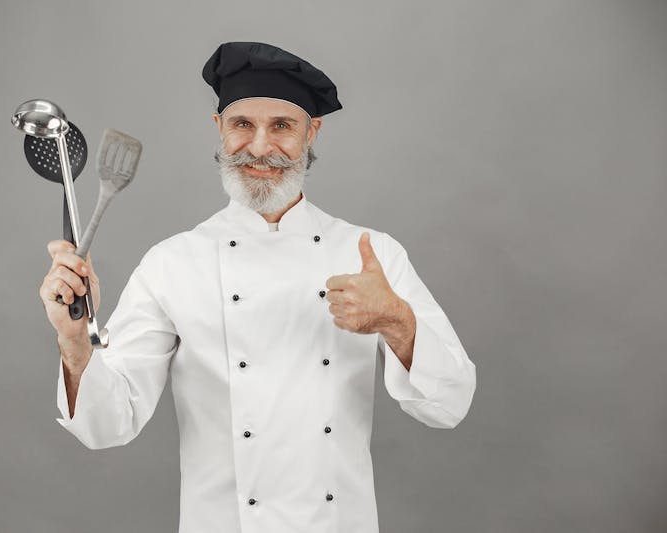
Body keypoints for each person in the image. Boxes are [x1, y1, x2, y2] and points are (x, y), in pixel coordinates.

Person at [40, 42, 476, 533]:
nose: (261, 147)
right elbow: (107, 426)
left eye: (282, 126)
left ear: (313, 132)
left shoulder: (371, 253)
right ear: (220, 130)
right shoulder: (173, 263)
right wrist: (76, 342)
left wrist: (398, 322)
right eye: (242, 124)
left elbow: (451, 404)